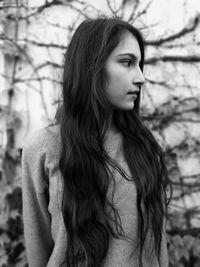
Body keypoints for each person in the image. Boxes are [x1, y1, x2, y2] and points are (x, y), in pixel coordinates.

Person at [22, 17, 171, 267]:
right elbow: (38, 247)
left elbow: (157, 246)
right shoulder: (43, 147)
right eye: (126, 62)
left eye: (139, 64)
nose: (140, 78)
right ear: (91, 66)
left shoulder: (144, 146)